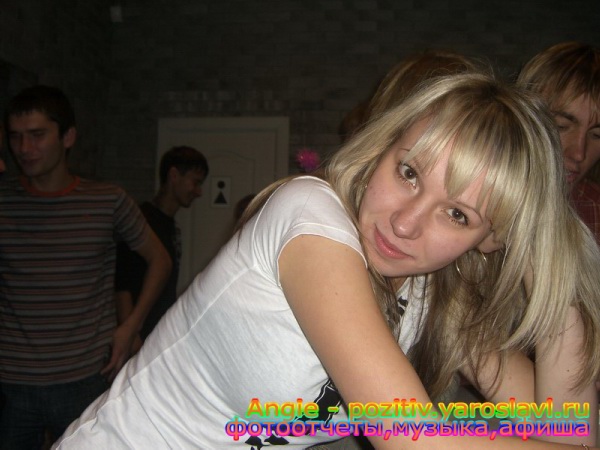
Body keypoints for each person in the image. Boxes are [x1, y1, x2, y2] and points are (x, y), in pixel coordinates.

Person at [54, 73, 600, 449]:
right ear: (383, 149)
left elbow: (565, 427)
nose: (405, 222)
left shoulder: (430, 295)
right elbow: (412, 439)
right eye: (408, 173)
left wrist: (554, 268)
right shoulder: (310, 218)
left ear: (493, 239)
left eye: (457, 214)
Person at [0, 85, 172, 448]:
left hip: (83, 378)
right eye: (15, 137)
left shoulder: (107, 200)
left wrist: (131, 325)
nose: (24, 148)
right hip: (11, 381)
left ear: (68, 137)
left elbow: (160, 259)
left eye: (37, 135)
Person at [115, 145, 209, 344]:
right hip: (138, 336)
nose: (198, 191)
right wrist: (131, 336)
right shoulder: (140, 221)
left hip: (159, 334)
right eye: (195, 182)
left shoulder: (171, 226)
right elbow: (122, 285)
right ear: (173, 175)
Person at [517, 42, 600, 242]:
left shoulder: (595, 210)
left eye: (597, 135)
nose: (579, 153)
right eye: (561, 126)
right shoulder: (474, 197)